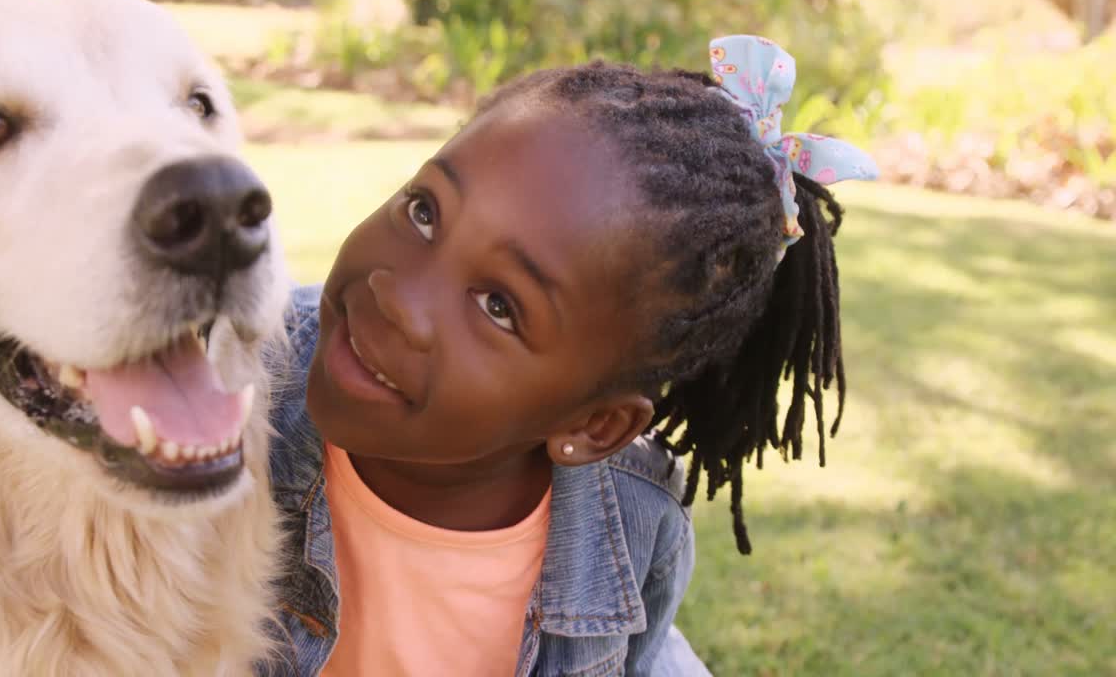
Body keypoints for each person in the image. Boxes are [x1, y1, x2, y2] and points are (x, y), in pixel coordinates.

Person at [262, 35, 879, 676]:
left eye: (498, 305)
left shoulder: (634, 523)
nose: (397, 298)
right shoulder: (241, 378)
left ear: (595, 425)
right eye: (424, 213)